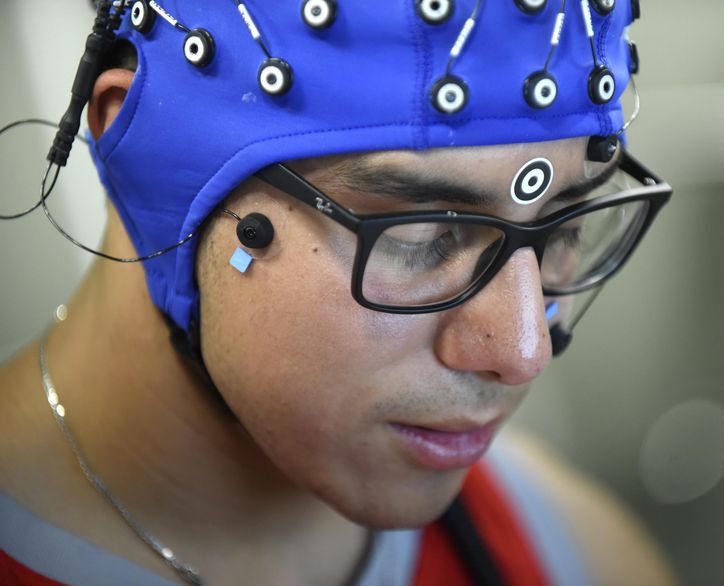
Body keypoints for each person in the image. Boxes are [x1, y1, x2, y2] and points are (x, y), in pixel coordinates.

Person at [1, 1, 675, 584]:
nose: (524, 351)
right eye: (420, 236)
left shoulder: (575, 556)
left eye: (565, 228)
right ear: (151, 151)